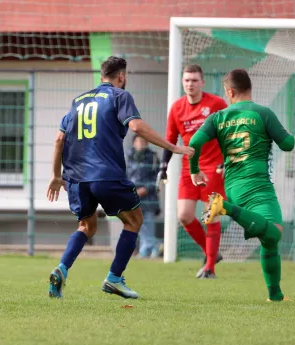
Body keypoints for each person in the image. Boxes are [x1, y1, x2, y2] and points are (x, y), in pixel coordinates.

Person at [46, 55, 194, 300]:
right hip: (105, 174)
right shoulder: (120, 96)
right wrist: (173, 147)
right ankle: (114, 278)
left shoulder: (77, 101)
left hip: (75, 178)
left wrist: (55, 176)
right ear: (122, 76)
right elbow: (136, 127)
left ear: (102, 75)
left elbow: (59, 139)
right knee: (134, 220)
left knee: (86, 226)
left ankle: (61, 269)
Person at [188, 68, 294, 302]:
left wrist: (195, 171)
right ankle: (223, 207)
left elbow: (194, 142)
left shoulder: (218, 117)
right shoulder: (263, 113)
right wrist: (288, 134)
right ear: (249, 88)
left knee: (270, 238)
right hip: (257, 185)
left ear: (230, 91)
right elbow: (287, 145)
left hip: (234, 184)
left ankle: (275, 296)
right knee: (274, 234)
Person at [157, 64, 228, 278]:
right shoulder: (177, 108)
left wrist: (228, 160)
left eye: (194, 80)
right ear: (182, 82)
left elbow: (229, 132)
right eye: (187, 80)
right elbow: (170, 140)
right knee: (185, 216)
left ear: (202, 82)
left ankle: (210, 269)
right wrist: (163, 166)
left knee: (210, 217)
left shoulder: (216, 104)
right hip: (189, 168)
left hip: (213, 167)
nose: (190, 84)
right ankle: (210, 253)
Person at [126, 134, 161, 258]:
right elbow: (125, 175)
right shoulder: (128, 156)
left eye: (143, 140)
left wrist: (146, 188)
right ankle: (154, 245)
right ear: (134, 142)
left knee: (148, 222)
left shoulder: (153, 157)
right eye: (138, 140)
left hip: (149, 197)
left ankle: (146, 249)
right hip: (132, 196)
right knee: (136, 223)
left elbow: (158, 177)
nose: (140, 143)